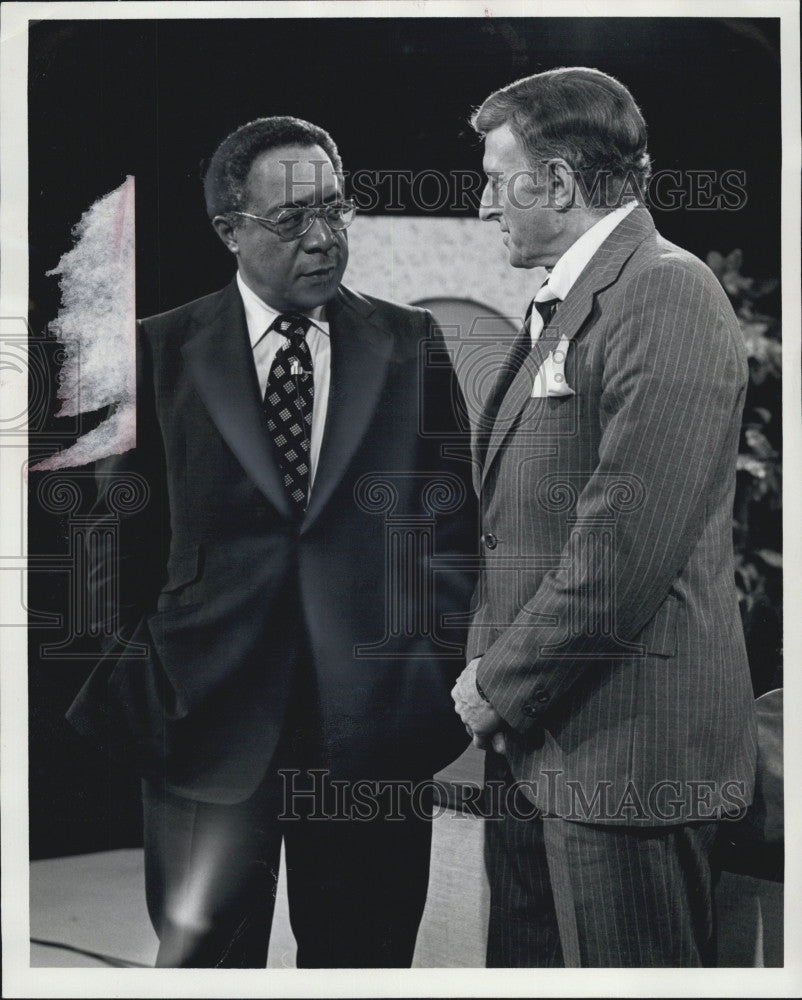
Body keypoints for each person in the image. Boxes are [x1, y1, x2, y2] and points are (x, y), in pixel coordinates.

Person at [67, 115, 476, 968]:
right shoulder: (154, 353)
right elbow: (110, 559)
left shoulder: (411, 345)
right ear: (230, 230)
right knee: (207, 967)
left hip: (371, 735)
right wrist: (153, 687)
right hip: (204, 733)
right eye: (293, 221)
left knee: (364, 964)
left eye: (336, 209)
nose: (325, 239)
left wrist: (424, 678)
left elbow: (451, 537)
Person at [451, 67, 757, 967]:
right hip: (543, 744)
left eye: (494, 180)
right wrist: (498, 680)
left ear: (556, 183)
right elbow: (515, 528)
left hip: (628, 763)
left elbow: (620, 553)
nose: (479, 207)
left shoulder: (666, 291)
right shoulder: (572, 298)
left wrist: (497, 682)